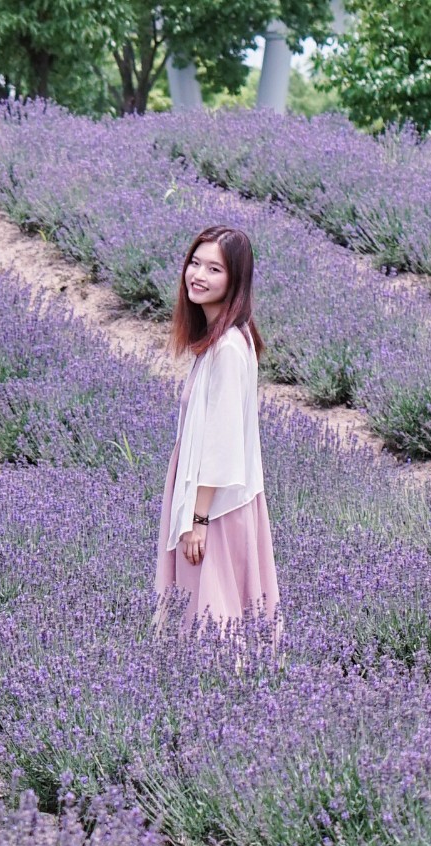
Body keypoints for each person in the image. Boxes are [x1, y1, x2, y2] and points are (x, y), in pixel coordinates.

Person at [156, 224, 279, 630]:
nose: (198, 275)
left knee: (211, 615)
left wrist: (197, 520)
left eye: (214, 269)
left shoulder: (227, 347)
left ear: (235, 281)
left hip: (216, 504)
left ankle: (220, 687)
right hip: (211, 497)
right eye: (195, 263)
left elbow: (221, 443)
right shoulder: (224, 339)